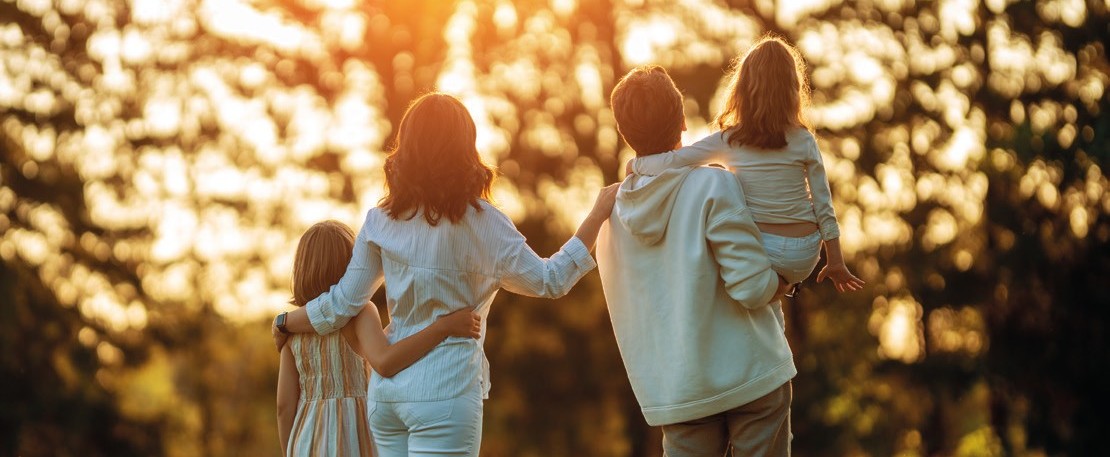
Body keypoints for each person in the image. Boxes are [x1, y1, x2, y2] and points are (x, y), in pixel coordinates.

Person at [271, 93, 619, 457]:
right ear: (466, 148)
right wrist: (596, 215)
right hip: (445, 394)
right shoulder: (485, 223)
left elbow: (342, 303)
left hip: (387, 400)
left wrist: (285, 321)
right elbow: (550, 280)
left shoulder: (381, 220)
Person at [597, 65, 795, 456]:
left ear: (624, 132)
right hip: (752, 376)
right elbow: (752, 287)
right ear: (683, 120)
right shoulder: (712, 184)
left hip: (680, 392)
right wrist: (785, 283)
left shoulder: (609, 218)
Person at [629, 36, 864, 294]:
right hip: (805, 253)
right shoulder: (804, 140)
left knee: (707, 212)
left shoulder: (730, 140)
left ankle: (770, 287)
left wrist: (637, 165)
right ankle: (784, 287)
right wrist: (835, 260)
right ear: (792, 90)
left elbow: (674, 161)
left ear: (742, 89)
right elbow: (823, 204)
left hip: (759, 250)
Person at [276, 220, 482, 456]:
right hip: (355, 437)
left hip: (306, 441)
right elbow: (385, 361)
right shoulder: (360, 314)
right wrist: (443, 327)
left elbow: (284, 407)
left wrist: (291, 449)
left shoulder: (292, 331)